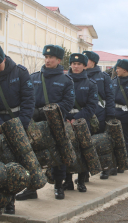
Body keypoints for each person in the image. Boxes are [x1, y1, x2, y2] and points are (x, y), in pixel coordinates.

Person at [0, 44, 35, 214]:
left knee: (16, 164)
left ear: (4, 58)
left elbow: (28, 100)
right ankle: (1, 201)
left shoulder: (20, 72)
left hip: (19, 122)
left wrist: (21, 125)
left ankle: (11, 201)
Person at [26, 45, 74, 200]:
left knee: (58, 154)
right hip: (35, 123)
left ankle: (58, 186)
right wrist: (32, 111)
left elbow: (67, 103)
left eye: (51, 58)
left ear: (58, 60)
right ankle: (31, 188)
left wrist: (46, 111)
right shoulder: (33, 77)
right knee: (30, 154)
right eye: (46, 57)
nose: (47, 60)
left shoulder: (66, 80)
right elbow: (26, 98)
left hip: (55, 122)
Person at [63, 53, 98, 192]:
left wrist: (76, 118)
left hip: (82, 121)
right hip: (65, 119)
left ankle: (82, 180)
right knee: (66, 150)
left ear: (84, 66)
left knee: (84, 151)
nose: (76, 66)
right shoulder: (63, 81)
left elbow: (92, 106)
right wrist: (66, 116)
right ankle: (68, 181)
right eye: (73, 64)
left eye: (79, 64)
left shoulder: (90, 84)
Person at [83, 51, 116, 179]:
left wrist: (110, 114)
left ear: (93, 62)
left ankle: (105, 168)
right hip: (85, 113)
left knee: (102, 142)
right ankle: (84, 172)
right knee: (85, 143)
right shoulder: (79, 75)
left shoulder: (103, 77)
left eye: (87, 59)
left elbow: (110, 96)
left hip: (100, 113)